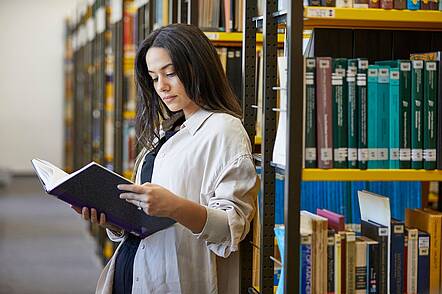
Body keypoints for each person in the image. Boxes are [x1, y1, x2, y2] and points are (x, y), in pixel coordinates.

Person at [74, 23, 258, 294]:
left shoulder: (224, 130)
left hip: (174, 279)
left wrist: (174, 207)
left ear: (198, 68)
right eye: (154, 77)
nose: (162, 86)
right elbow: (144, 219)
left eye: (170, 73)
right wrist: (113, 218)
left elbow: (232, 229)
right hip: (133, 273)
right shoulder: (167, 128)